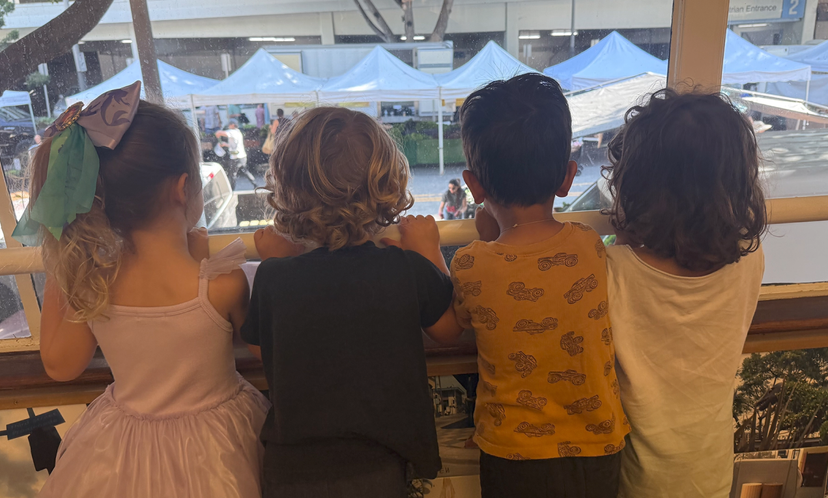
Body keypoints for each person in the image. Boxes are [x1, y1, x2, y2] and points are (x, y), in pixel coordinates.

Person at [18, 82, 269, 497]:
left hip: (117, 451)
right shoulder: (221, 284)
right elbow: (263, 348)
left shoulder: (94, 285)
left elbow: (61, 366)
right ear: (182, 188)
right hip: (220, 447)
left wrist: (65, 259)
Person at [241, 107, 457, 497]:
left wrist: (275, 262)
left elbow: (261, 348)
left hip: (291, 470)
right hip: (378, 466)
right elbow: (449, 330)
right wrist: (429, 251)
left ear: (287, 189)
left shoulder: (275, 276)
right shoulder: (405, 269)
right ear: (387, 186)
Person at [450, 73, 628, 498]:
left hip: (513, 455)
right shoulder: (588, 244)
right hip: (598, 448)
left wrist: (435, 248)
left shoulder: (471, 263)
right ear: (567, 178)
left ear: (473, 185)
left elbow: (450, 326)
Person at [605, 90, 766, 498]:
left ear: (636, 185)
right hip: (711, 473)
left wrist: (623, 233)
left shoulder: (612, 270)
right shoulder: (750, 260)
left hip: (637, 480)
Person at [216, 120, 257, 189]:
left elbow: (220, 133)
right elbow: (234, 145)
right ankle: (255, 184)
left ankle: (232, 189)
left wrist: (218, 132)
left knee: (233, 174)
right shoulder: (238, 132)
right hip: (242, 156)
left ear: (233, 125)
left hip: (235, 157)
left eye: (229, 124)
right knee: (245, 171)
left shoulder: (232, 131)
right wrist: (225, 144)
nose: (228, 126)